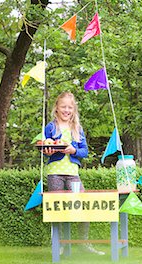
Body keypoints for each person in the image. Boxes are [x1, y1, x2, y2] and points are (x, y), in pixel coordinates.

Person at [43, 91, 104, 255]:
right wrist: (47, 151)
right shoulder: (51, 127)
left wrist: (73, 150)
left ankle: (84, 242)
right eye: (63, 106)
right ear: (57, 108)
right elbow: (45, 147)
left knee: (84, 204)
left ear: (74, 109)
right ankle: (60, 244)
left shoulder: (77, 128)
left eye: (70, 107)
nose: (66, 110)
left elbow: (84, 152)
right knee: (58, 209)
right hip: (54, 173)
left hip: (72, 173)